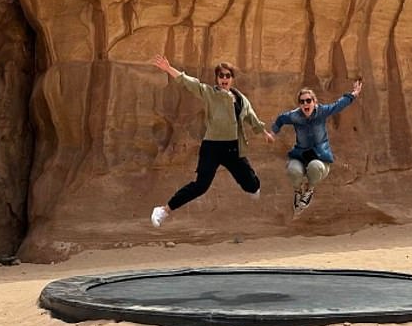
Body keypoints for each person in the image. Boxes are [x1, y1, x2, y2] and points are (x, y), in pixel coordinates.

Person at [150, 54, 274, 227]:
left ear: (232, 79)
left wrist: (264, 133)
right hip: (212, 148)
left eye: (227, 76)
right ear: (217, 79)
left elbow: (251, 117)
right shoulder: (209, 93)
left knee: (252, 185)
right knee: (201, 186)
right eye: (221, 76)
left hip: (233, 149)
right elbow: (189, 82)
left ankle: (254, 189)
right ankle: (164, 210)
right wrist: (168, 69)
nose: (224, 79)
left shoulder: (240, 98)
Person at [271, 78, 362, 214]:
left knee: (315, 167)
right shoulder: (295, 116)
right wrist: (273, 132)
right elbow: (281, 119)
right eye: (302, 102)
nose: (305, 104)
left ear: (314, 102)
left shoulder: (322, 112)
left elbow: (338, 105)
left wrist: (354, 93)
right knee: (292, 170)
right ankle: (298, 191)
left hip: (320, 158)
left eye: (308, 100)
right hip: (301, 156)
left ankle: (309, 190)